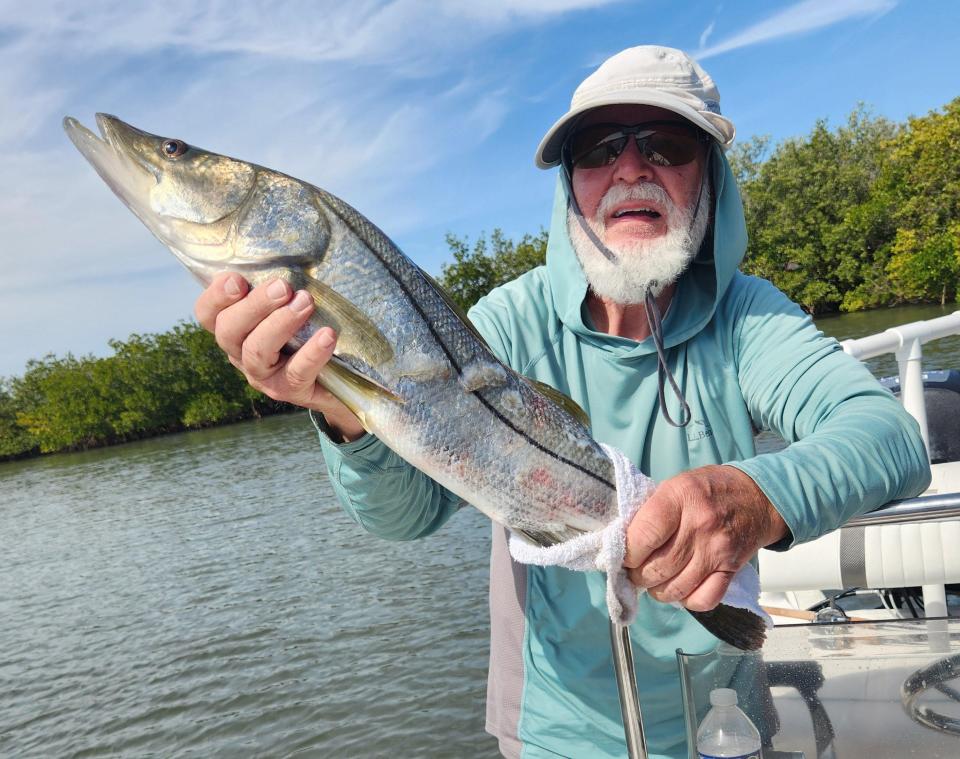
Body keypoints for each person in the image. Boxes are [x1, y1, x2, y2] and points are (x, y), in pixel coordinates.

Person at [194, 46, 930, 759]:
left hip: (725, 718)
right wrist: (344, 409)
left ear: (710, 175)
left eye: (668, 144)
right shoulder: (507, 323)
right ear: (570, 183)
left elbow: (890, 436)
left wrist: (757, 492)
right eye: (599, 147)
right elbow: (405, 514)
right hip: (556, 733)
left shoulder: (749, 318)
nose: (631, 167)